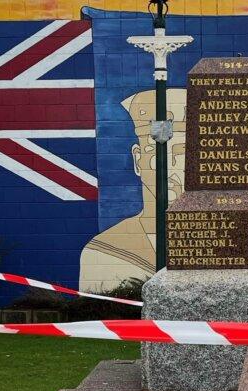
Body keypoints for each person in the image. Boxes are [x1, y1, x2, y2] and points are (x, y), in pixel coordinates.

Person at [78, 89, 187, 291]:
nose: (169, 166)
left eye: (182, 153)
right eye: (156, 151)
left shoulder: (221, 242)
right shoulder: (105, 250)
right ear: (137, 160)